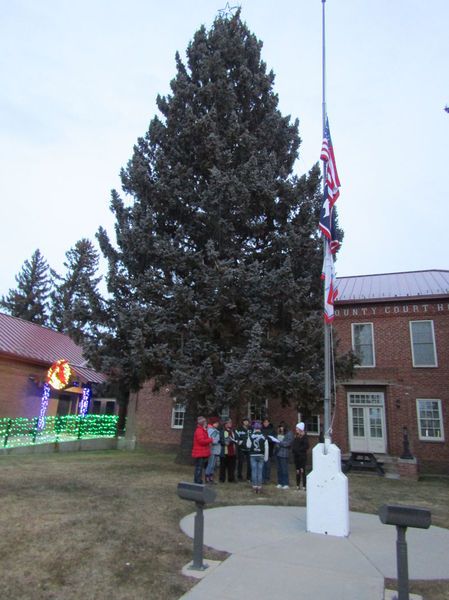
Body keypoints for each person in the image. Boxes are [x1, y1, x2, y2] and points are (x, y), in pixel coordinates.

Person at [248, 421, 269, 493]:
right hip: (261, 455)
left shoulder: (251, 436)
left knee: (254, 471)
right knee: (260, 471)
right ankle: (259, 487)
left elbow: (248, 445)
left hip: (253, 454)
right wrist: (266, 457)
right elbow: (266, 447)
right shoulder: (264, 436)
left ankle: (254, 486)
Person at [192, 416, 213, 484]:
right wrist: (210, 440)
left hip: (201, 452)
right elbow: (201, 441)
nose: (206, 423)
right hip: (199, 452)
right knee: (199, 467)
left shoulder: (203, 430)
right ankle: (197, 480)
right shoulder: (199, 430)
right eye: (205, 422)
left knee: (200, 467)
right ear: (202, 423)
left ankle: (199, 480)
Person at [275, 421, 293, 489]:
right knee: (279, 469)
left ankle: (286, 483)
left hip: (284, 453)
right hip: (278, 452)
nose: (281, 429)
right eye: (280, 427)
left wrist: (279, 443)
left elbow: (287, 443)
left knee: (284, 469)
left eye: (282, 427)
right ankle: (280, 482)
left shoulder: (289, 433)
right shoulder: (278, 433)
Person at [292, 422, 309, 491]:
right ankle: (297, 485)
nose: (296, 429)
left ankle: (304, 486)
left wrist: (299, 450)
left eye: (297, 428)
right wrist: (294, 450)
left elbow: (306, 446)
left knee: (302, 471)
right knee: (297, 471)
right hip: (296, 456)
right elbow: (294, 445)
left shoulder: (304, 437)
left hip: (302, 456)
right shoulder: (296, 437)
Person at [235, 416, 252, 482]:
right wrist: (239, 441)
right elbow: (237, 438)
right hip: (241, 449)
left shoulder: (251, 429)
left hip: (249, 449)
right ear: (243, 422)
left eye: (247, 421)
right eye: (244, 421)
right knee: (240, 463)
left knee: (249, 463)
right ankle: (239, 477)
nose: (246, 422)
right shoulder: (239, 429)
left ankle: (249, 477)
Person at [205, 417, 221, 484]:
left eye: (217, 423)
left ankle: (211, 476)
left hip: (215, 449)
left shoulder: (215, 430)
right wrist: (218, 441)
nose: (217, 424)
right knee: (210, 464)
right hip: (212, 449)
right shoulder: (212, 430)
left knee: (213, 464)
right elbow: (212, 440)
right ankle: (207, 476)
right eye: (216, 423)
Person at [261, 417, 276, 483]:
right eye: (264, 422)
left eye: (267, 422)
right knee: (262, 464)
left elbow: (273, 439)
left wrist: (267, 439)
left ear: (269, 423)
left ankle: (267, 478)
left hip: (269, 449)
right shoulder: (261, 430)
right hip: (262, 449)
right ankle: (262, 477)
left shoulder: (272, 430)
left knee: (268, 464)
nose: (265, 423)